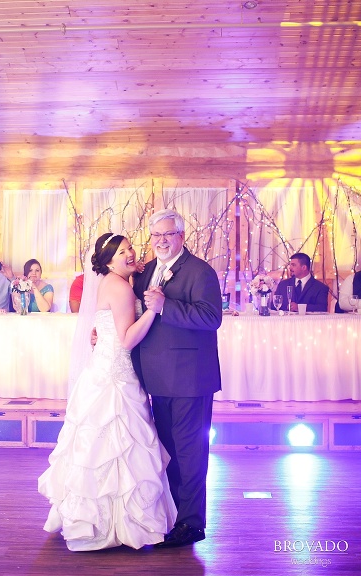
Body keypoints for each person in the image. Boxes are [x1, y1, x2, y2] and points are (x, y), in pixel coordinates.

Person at [38, 232, 176, 551]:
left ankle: (93, 518)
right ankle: (122, 523)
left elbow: (109, 328)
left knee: (95, 449)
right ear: (109, 260)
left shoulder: (109, 283)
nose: (129, 254)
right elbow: (127, 339)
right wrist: (153, 311)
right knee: (121, 446)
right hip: (116, 374)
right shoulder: (121, 286)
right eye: (122, 252)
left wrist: (137, 271)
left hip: (101, 370)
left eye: (130, 249)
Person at [131, 208, 223, 548]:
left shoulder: (200, 271)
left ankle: (192, 524)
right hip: (156, 379)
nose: (161, 241)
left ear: (181, 236)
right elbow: (138, 315)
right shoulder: (147, 272)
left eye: (168, 234)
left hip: (190, 380)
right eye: (156, 235)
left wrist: (166, 306)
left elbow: (211, 317)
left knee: (190, 454)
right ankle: (172, 517)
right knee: (167, 453)